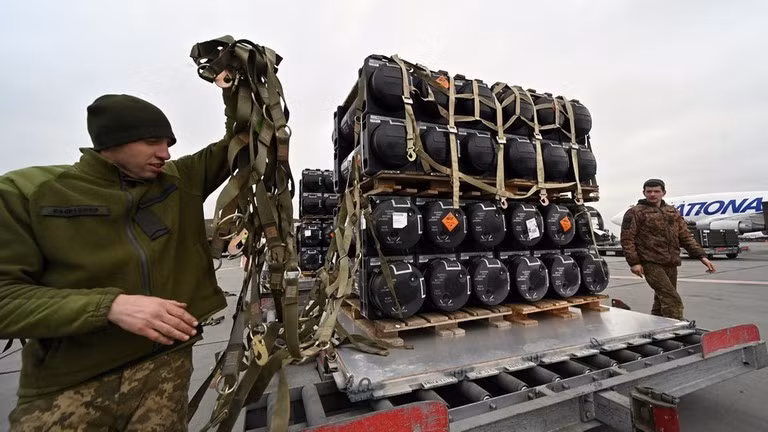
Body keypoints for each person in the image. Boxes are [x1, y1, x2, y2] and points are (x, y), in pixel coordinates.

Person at [0, 93, 235, 431]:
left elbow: (243, 139)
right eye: (152, 141)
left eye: (168, 143)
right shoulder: (28, 194)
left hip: (166, 370)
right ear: (111, 141)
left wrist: (235, 83)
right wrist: (110, 306)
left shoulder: (180, 181)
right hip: (69, 387)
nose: (165, 153)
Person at [620, 178, 716, 320]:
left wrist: (702, 256)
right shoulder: (634, 212)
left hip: (670, 262)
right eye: (649, 191)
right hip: (650, 262)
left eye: (656, 191)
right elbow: (627, 239)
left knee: (662, 298)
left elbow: (685, 236)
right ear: (644, 193)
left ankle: (656, 322)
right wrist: (634, 262)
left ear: (663, 193)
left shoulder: (672, 212)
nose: (653, 194)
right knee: (671, 299)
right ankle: (678, 328)